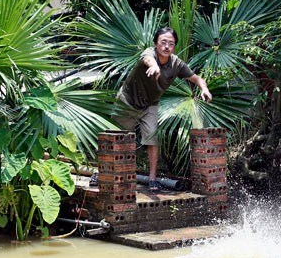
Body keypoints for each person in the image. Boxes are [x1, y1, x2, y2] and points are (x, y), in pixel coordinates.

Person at [91, 27, 212, 191]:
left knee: (152, 139)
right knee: (116, 139)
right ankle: (101, 173)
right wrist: (154, 66)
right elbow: (148, 59)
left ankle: (152, 180)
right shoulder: (149, 53)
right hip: (128, 101)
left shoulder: (176, 63)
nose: (167, 47)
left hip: (150, 104)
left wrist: (204, 89)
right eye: (163, 42)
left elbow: (196, 78)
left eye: (171, 43)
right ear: (156, 43)